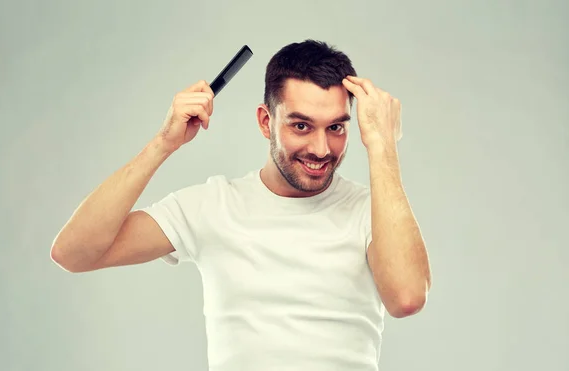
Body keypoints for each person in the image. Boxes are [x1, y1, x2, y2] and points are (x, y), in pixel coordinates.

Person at [50, 39, 432, 371]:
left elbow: (407, 298)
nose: (321, 149)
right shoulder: (212, 205)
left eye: (336, 127)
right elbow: (74, 253)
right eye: (301, 126)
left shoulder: (374, 211)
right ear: (266, 122)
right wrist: (163, 143)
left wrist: (383, 146)